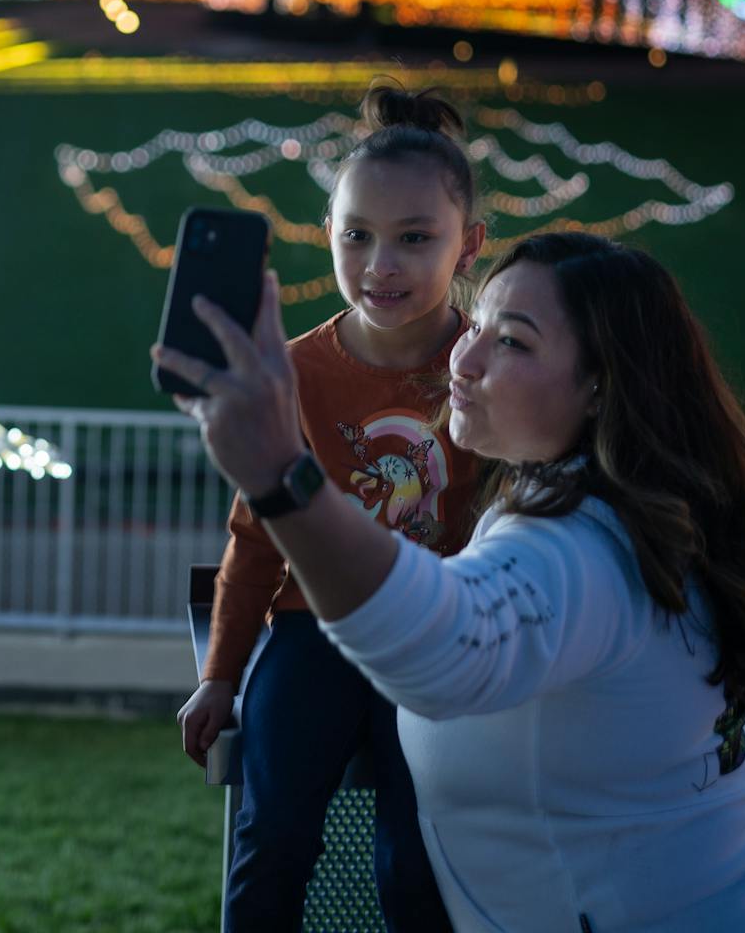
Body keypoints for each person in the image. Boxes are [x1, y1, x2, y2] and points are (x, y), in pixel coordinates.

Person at [157, 231, 745, 932]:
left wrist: (283, 474)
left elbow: (448, 646)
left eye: (513, 342)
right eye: (478, 323)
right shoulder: (642, 507)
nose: (464, 359)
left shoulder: (583, 550)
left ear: (600, 385)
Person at [174, 81, 486, 933]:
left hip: (438, 641)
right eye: (358, 236)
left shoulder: (493, 369)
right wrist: (219, 679)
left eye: (415, 239)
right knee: (271, 840)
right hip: (318, 633)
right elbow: (257, 536)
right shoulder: (299, 372)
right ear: (329, 235)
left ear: (469, 246)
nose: (381, 265)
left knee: (418, 860)